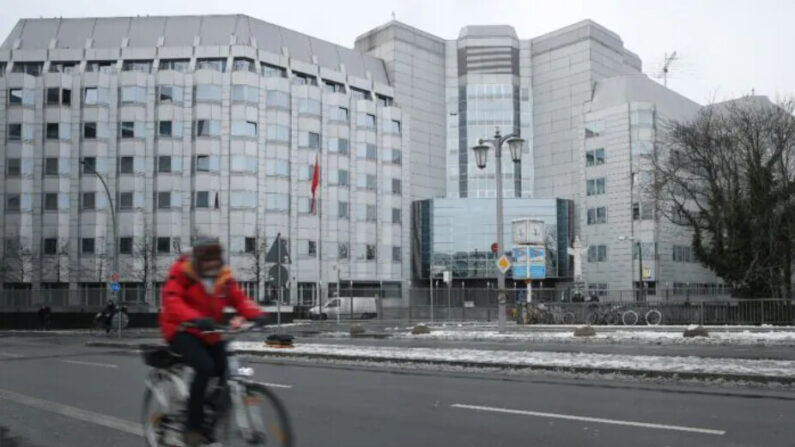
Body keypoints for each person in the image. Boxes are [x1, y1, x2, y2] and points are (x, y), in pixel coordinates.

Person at [159, 237, 266, 447]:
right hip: (181, 329)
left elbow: (239, 299)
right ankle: (192, 427)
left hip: (209, 331)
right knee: (205, 366)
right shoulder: (182, 272)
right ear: (197, 259)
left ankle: (208, 414)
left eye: (214, 260)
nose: (211, 265)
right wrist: (194, 318)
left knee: (227, 372)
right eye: (206, 260)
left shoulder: (223, 277)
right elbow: (173, 301)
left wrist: (257, 314)